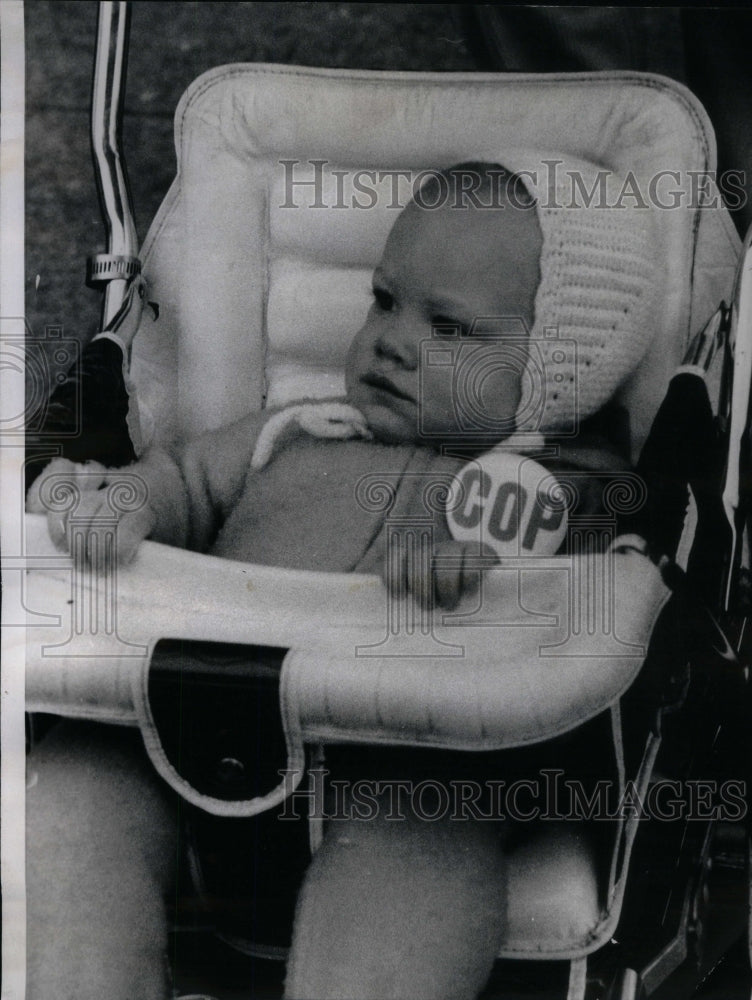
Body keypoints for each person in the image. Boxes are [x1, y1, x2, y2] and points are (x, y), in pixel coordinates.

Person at [26, 159, 657, 1000]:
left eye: (453, 329)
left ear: (556, 370)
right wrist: (126, 501)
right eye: (385, 302)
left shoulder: (563, 483)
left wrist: (492, 570)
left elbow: (596, 577)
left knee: (422, 842)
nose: (393, 339)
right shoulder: (295, 434)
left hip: (424, 757)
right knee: (68, 797)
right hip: (187, 721)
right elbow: (181, 481)